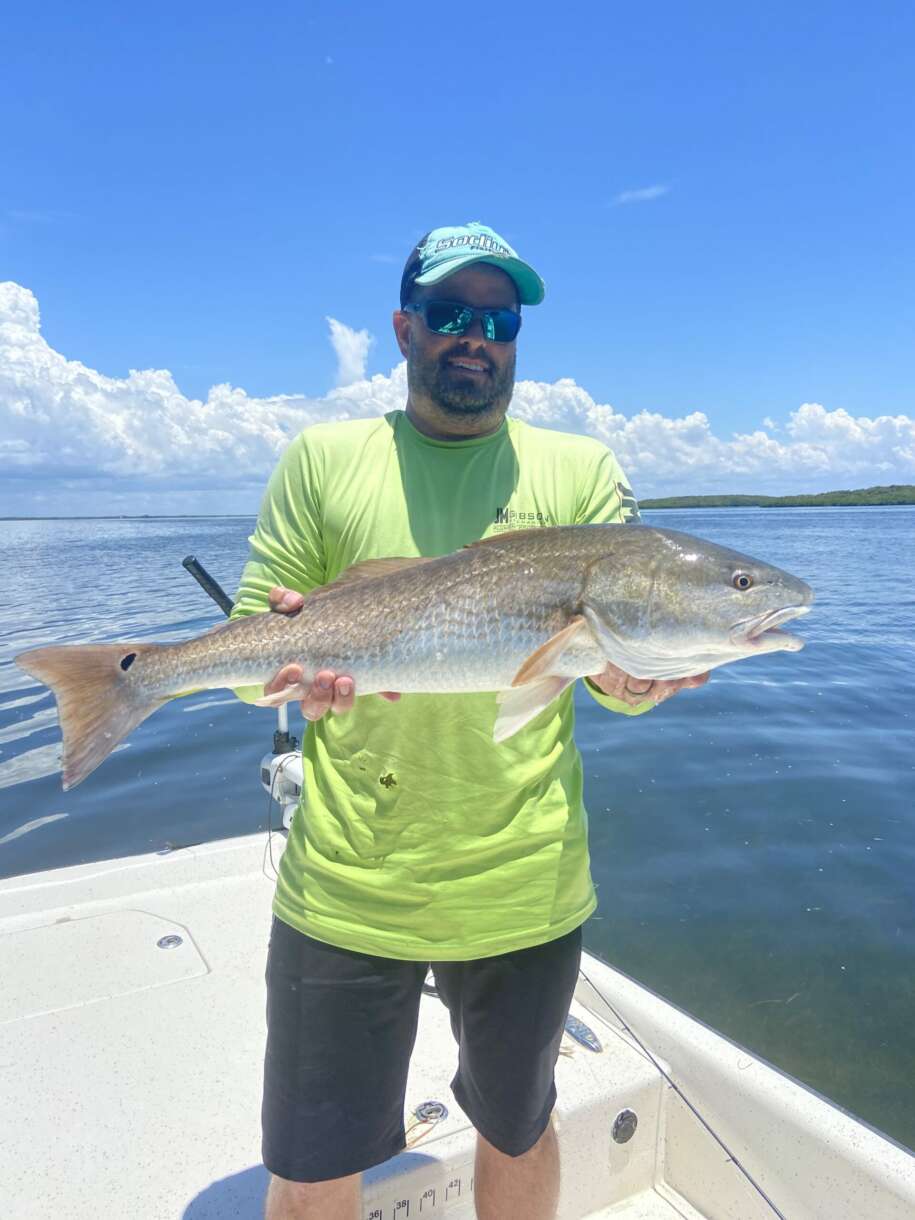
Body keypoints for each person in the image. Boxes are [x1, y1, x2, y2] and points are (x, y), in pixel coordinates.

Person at [230, 221, 709, 1220]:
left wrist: (638, 681)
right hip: (349, 883)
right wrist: (281, 672)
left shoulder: (580, 471)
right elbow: (249, 652)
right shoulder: (323, 459)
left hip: (524, 880)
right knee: (313, 1162)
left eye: (498, 317)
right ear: (406, 329)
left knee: (519, 1124)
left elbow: (604, 666)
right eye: (451, 313)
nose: (475, 336)